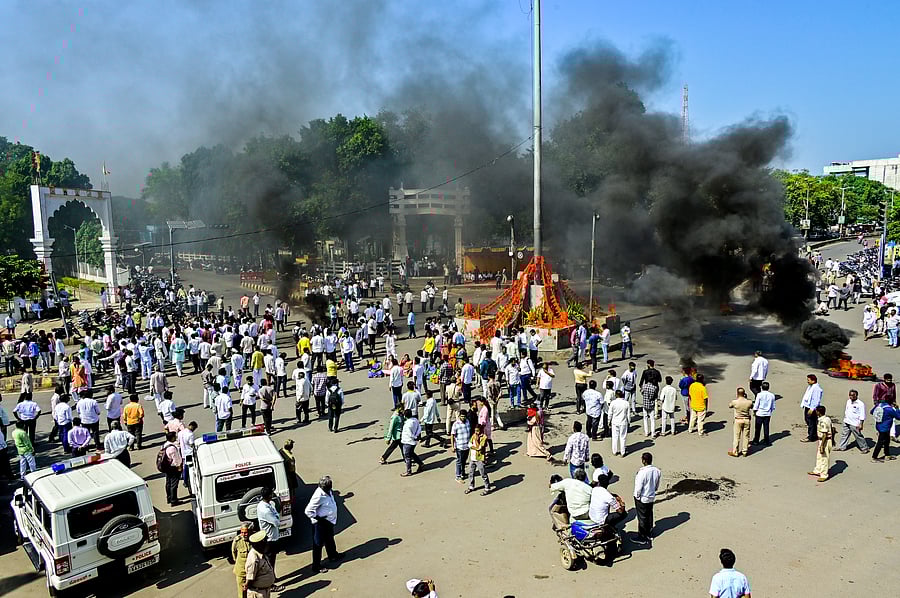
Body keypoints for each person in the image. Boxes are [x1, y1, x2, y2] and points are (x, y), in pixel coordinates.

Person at [304, 476, 342, 574]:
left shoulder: (328, 491)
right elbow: (308, 511)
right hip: (320, 524)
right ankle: (316, 566)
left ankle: (333, 555)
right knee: (318, 544)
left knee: (329, 538)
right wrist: (319, 519)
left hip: (328, 521)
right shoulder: (319, 495)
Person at [632, 452, 661, 546]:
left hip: (643, 498)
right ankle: (649, 533)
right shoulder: (657, 470)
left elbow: (638, 487)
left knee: (642, 517)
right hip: (651, 496)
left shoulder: (642, 472)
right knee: (649, 514)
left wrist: (637, 496)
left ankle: (642, 536)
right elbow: (657, 485)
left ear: (643, 460)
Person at [244, 531, 277, 598]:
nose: (266, 544)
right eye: (264, 542)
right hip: (257, 593)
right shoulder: (253, 559)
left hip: (265, 590)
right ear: (259, 545)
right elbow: (250, 579)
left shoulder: (261, 553)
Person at [256, 487, 281, 572]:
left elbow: (276, 515)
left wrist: (276, 516)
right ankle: (271, 581)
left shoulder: (266, 504)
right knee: (270, 561)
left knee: (271, 560)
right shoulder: (265, 510)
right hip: (270, 539)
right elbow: (277, 522)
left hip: (271, 537)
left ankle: (272, 577)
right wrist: (277, 517)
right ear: (269, 495)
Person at [808, 405, 834, 482]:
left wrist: (822, 445)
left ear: (818, 412)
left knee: (824, 458)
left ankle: (824, 474)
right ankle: (817, 470)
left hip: (825, 440)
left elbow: (825, 434)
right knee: (819, 456)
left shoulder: (823, 421)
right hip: (822, 440)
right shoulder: (827, 418)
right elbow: (833, 429)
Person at [465, 424, 492, 495]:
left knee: (483, 474)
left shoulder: (484, 437)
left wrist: (473, 445)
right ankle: (471, 486)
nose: (476, 432)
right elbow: (469, 444)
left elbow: (479, 447)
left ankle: (487, 487)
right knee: (471, 473)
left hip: (480, 458)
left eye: (477, 431)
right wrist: (473, 446)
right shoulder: (474, 435)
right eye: (475, 431)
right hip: (472, 458)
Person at [728, 387, 753, 457]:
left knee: (736, 436)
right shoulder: (749, 402)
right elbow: (752, 406)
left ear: (737, 393)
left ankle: (735, 452)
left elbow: (730, 406)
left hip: (738, 420)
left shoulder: (735, 402)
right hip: (746, 419)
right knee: (746, 436)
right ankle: (745, 451)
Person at [230, 523, 252, 598]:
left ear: (249, 532)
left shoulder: (253, 539)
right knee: (242, 593)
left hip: (252, 571)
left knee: (253, 591)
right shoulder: (237, 540)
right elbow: (234, 553)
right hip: (241, 571)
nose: (243, 534)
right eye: (242, 532)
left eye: (245, 532)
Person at [400, 408, 424, 476]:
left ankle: (408, 471)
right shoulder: (415, 420)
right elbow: (419, 428)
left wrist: (414, 437)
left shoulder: (408, 424)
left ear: (405, 416)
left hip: (408, 441)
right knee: (412, 454)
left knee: (407, 456)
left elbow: (409, 434)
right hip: (413, 442)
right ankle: (421, 464)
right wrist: (416, 435)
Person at [162, 431, 184, 505]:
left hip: (167, 467)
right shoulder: (172, 448)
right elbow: (175, 459)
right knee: (174, 484)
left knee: (168, 483)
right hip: (173, 468)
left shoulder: (165, 445)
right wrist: (179, 467)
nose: (176, 438)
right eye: (175, 436)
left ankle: (169, 498)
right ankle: (174, 500)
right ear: (172, 438)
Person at [800, 374, 823, 443]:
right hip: (808, 406)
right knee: (808, 420)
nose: (807, 381)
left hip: (812, 408)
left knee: (811, 422)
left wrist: (812, 408)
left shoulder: (816, 389)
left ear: (813, 381)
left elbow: (816, 400)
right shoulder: (811, 386)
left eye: (808, 380)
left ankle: (811, 437)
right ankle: (814, 434)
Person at [750, 382, 775, 446]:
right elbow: (773, 406)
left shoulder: (759, 395)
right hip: (767, 414)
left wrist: (754, 411)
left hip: (759, 413)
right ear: (768, 388)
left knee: (758, 428)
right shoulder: (772, 395)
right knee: (766, 427)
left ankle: (756, 441)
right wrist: (770, 411)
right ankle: (767, 441)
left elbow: (756, 404)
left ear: (761, 387)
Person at [608, 390, 630, 457]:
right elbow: (628, 414)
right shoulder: (626, 403)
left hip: (615, 422)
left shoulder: (613, 403)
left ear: (616, 395)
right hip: (623, 422)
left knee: (615, 437)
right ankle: (622, 452)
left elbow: (610, 413)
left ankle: (614, 451)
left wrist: (608, 421)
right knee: (623, 437)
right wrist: (629, 421)